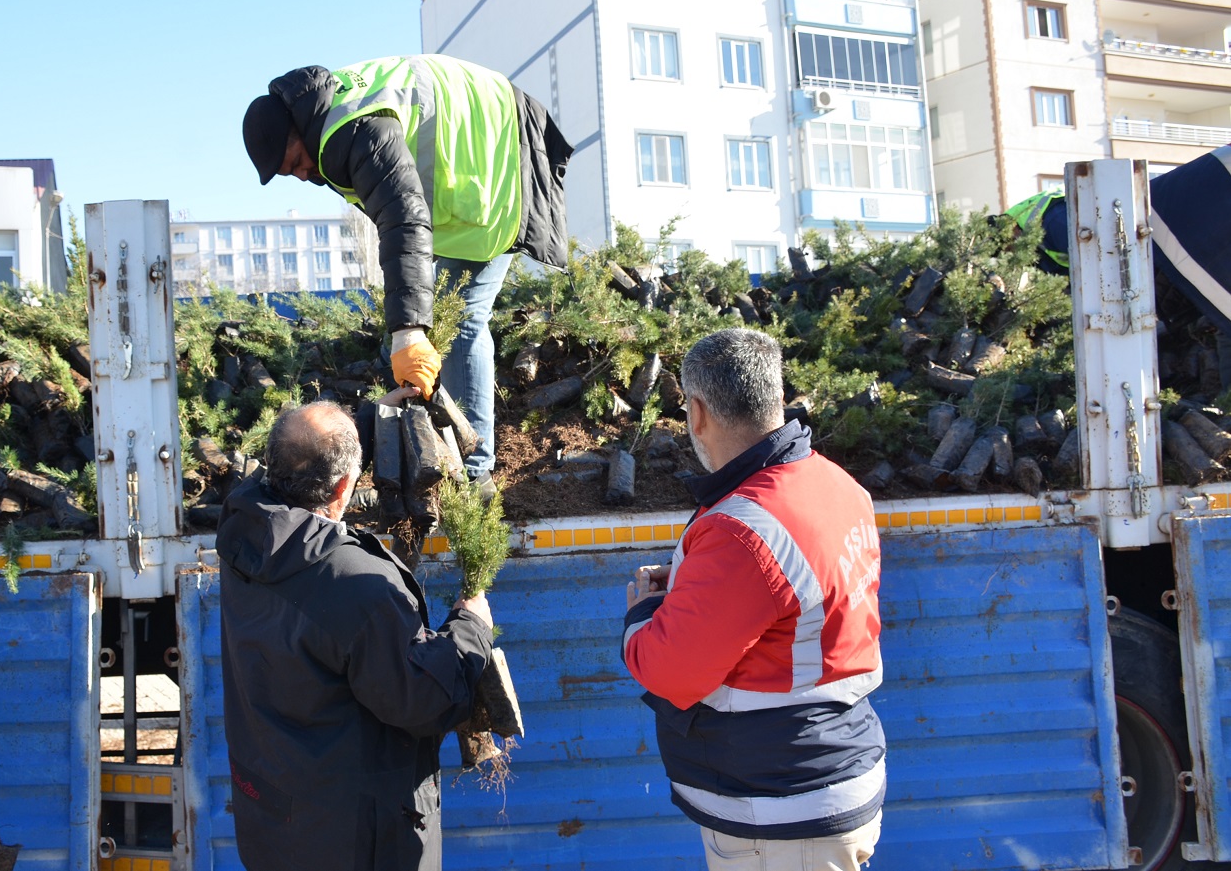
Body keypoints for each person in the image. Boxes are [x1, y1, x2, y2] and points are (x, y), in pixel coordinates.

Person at [242, 55, 574, 497]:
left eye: (298, 161)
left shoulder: (355, 131)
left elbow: (403, 221)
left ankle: (474, 476)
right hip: (474, 174)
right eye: (293, 174)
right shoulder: (328, 122)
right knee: (416, 328)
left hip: (500, 166)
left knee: (463, 320)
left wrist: (409, 332)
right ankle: (421, 443)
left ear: (299, 130)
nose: (304, 175)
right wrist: (404, 331)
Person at [621, 329, 885, 871]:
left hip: (782, 814)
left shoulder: (743, 528)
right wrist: (702, 580)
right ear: (774, 396)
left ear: (697, 413)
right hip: (829, 779)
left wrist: (643, 611)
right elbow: (795, 599)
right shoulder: (837, 485)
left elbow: (670, 669)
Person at [215, 398, 494, 871]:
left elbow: (303, 455)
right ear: (344, 486)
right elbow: (423, 702)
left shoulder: (243, 530)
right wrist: (471, 628)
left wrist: (377, 411)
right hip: (356, 845)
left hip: (276, 825)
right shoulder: (354, 584)